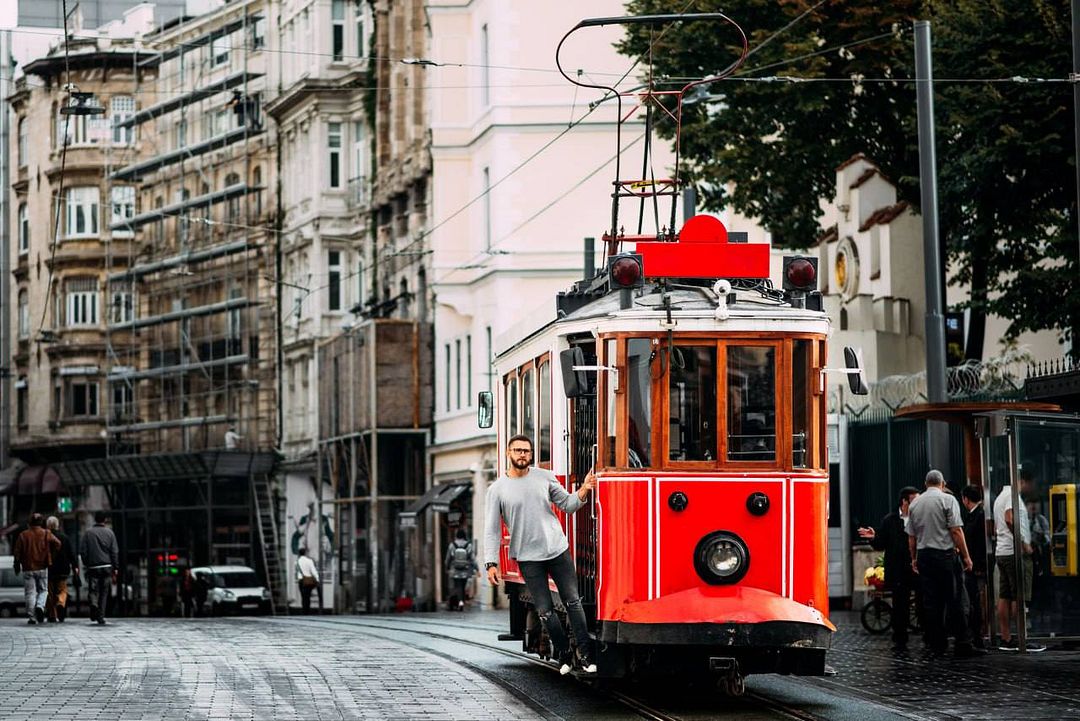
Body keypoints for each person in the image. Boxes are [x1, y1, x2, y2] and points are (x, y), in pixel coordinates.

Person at [484, 434, 598, 675]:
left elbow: (568, 505)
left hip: (557, 549)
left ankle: (586, 657)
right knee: (545, 611)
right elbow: (491, 529)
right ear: (508, 453)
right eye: (517, 450)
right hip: (527, 557)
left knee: (573, 602)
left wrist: (585, 489)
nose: (522, 454)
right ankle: (565, 655)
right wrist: (490, 563)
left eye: (526, 450)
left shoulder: (544, 477)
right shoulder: (497, 490)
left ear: (531, 454)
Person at [906, 470, 982, 658]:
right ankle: (962, 643)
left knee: (931, 603)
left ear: (925, 483)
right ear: (942, 483)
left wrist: (914, 558)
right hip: (945, 556)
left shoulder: (915, 503)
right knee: (956, 599)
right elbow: (956, 531)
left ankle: (936, 644)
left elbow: (911, 537)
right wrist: (966, 556)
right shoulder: (948, 500)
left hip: (924, 556)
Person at [858, 486, 920, 650]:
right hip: (898, 570)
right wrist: (873, 537)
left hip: (917, 568)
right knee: (900, 605)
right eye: (914, 500)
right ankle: (900, 640)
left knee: (923, 602)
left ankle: (928, 637)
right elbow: (881, 543)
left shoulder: (920, 518)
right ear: (904, 502)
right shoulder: (890, 520)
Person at [993, 471, 1045, 652]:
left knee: (1005, 596)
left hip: (1002, 551)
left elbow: (994, 526)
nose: (1031, 488)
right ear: (1022, 481)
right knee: (1019, 595)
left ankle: (1007, 638)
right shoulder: (1011, 496)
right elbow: (1009, 518)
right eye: (1030, 484)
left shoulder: (1000, 496)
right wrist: (1023, 543)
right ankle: (1022, 638)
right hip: (1015, 553)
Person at [13, 513, 61, 625]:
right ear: (41, 522)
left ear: (29, 523)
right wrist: (50, 556)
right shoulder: (46, 533)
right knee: (43, 590)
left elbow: (17, 552)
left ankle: (32, 618)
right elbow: (58, 543)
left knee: (30, 593)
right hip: (43, 566)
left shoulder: (23, 535)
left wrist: (17, 565)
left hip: (28, 567)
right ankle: (40, 606)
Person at [960, 485, 988, 648]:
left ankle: (978, 634)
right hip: (972, 564)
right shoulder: (974, 515)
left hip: (975, 565)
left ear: (966, 499)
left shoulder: (978, 516)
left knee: (975, 601)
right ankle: (976, 634)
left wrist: (976, 564)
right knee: (973, 601)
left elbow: (979, 544)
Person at [82, 510, 120, 626]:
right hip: (107, 567)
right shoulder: (110, 533)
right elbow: (114, 552)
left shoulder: (88, 533)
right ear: (105, 520)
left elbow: (83, 552)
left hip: (93, 567)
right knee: (104, 593)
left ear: (95, 519)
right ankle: (101, 617)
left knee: (93, 590)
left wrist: (87, 564)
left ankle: (94, 604)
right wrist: (116, 567)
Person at [44, 516, 79, 623]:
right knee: (62, 590)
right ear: (57, 525)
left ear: (48, 525)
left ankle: (52, 615)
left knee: (50, 593)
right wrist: (75, 567)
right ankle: (61, 603)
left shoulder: (45, 537)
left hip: (50, 570)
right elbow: (71, 554)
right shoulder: (65, 537)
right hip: (63, 570)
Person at [445, 528, 478, 611]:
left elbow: (448, 558)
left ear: (457, 536)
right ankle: (461, 601)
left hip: (455, 569)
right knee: (463, 585)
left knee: (458, 585)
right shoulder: (468, 545)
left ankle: (460, 602)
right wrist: (476, 568)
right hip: (465, 569)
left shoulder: (452, 545)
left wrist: (447, 567)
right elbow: (472, 558)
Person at [295, 547, 320, 614]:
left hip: (301, 581)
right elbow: (313, 571)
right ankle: (307, 610)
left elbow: (297, 572)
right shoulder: (309, 561)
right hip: (308, 581)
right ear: (305, 553)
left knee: (303, 596)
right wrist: (317, 579)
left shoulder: (297, 562)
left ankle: (304, 610)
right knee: (307, 596)